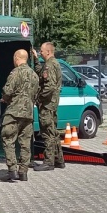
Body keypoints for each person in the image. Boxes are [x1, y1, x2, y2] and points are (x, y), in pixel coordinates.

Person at [0, 49, 39, 182]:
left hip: (14, 112)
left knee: (8, 139)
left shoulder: (15, 72)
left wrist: (4, 98)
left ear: (17, 58)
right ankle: (23, 172)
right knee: (25, 143)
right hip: (28, 114)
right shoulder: (34, 75)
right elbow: (35, 95)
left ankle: (12, 171)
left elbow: (8, 90)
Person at [32, 42, 65, 171]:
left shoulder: (50, 65)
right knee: (53, 132)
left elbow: (49, 87)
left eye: (41, 51)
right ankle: (59, 160)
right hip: (52, 104)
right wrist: (35, 59)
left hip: (47, 105)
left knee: (47, 132)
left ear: (48, 52)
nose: (40, 52)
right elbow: (41, 74)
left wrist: (38, 98)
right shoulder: (51, 64)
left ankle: (48, 161)